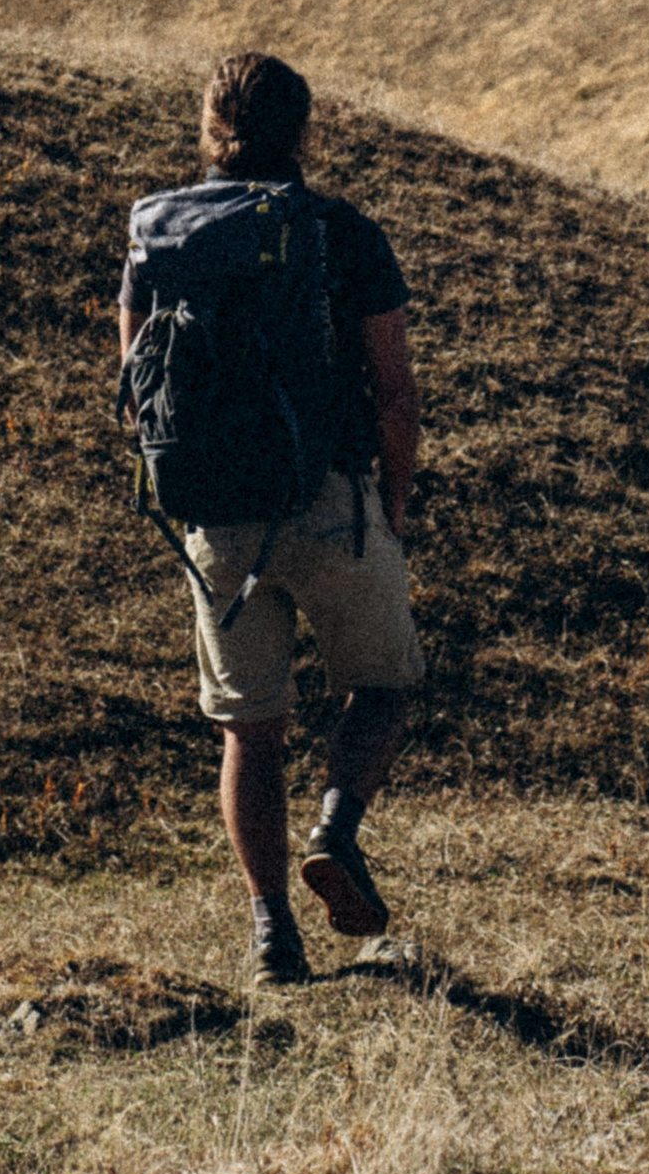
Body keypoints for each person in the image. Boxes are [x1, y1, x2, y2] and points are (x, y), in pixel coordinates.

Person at [119, 48, 424, 985]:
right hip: (330, 498)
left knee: (251, 729)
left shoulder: (158, 230)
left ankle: (270, 934)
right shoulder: (341, 230)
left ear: (209, 127)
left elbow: (133, 383)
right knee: (386, 685)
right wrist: (396, 499)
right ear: (305, 131)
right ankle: (336, 830)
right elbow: (393, 389)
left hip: (214, 515)